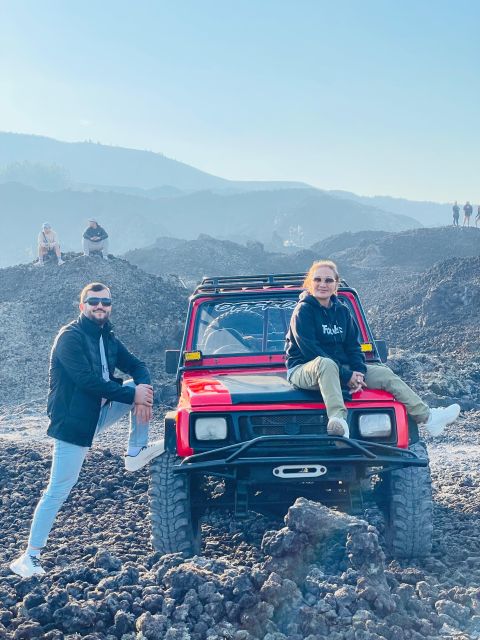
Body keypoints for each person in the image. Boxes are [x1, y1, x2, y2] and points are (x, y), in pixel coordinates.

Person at [10, 282, 164, 578]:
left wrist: (142, 391)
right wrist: (134, 396)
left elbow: (136, 364)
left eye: (105, 301)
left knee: (138, 386)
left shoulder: (107, 337)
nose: (100, 306)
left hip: (97, 413)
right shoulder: (70, 338)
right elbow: (86, 380)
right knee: (58, 489)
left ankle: (136, 451)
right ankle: (28, 557)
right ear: (82, 306)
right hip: (74, 423)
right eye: (93, 301)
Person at [285, 260, 460, 440]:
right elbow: (310, 350)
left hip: (340, 369)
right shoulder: (303, 311)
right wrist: (347, 376)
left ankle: (429, 417)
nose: (323, 284)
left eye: (328, 280)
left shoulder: (343, 312)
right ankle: (339, 423)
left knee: (384, 374)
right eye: (318, 279)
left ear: (336, 284)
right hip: (303, 369)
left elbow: (353, 346)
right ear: (310, 283)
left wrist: (358, 373)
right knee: (325, 363)